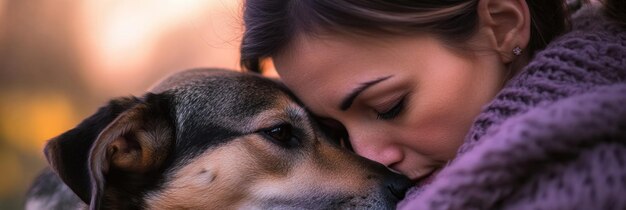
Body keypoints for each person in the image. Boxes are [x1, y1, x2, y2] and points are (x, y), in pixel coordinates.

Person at [240, 0, 626, 209]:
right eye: (336, 132)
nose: (369, 157)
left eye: (390, 106)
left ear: (503, 23)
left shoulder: (590, 176)